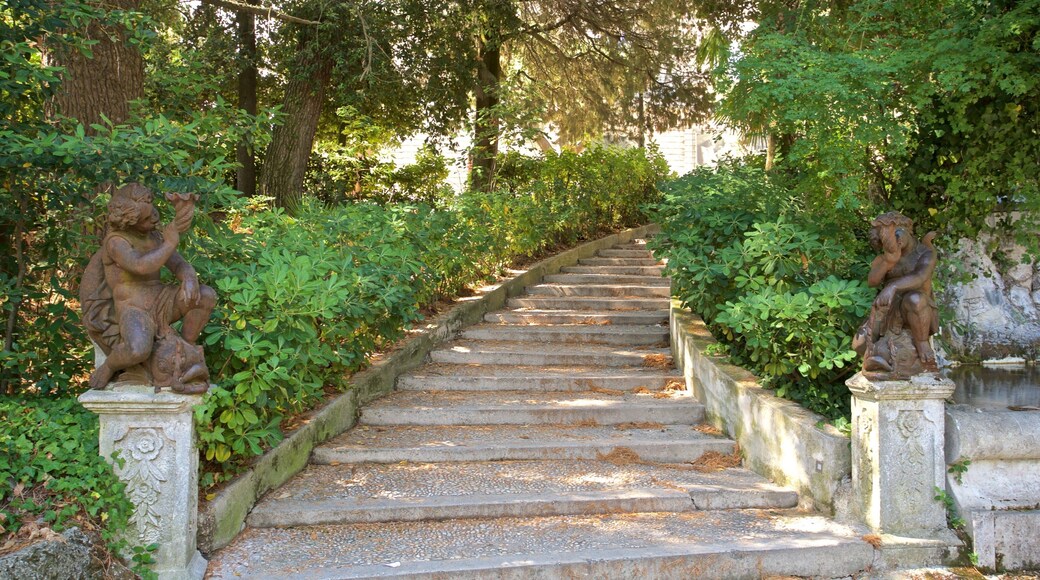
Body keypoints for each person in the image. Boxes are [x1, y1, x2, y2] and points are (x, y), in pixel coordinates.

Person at [81, 183, 215, 390]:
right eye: (146, 218)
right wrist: (170, 243)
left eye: (153, 211)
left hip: (162, 301)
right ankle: (110, 366)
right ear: (130, 221)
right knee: (138, 350)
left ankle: (186, 348)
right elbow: (141, 266)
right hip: (134, 310)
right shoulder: (116, 242)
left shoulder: (154, 237)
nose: (154, 218)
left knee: (205, 295)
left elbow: (177, 263)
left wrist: (189, 276)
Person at [853, 212, 939, 374]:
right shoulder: (887, 256)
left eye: (897, 234)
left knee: (915, 298)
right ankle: (884, 358)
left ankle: (922, 344)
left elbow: (920, 277)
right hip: (891, 309)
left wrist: (892, 287)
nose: (895, 241)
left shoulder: (925, 253)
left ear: (907, 230)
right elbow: (873, 281)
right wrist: (889, 261)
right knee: (859, 344)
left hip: (917, 308)